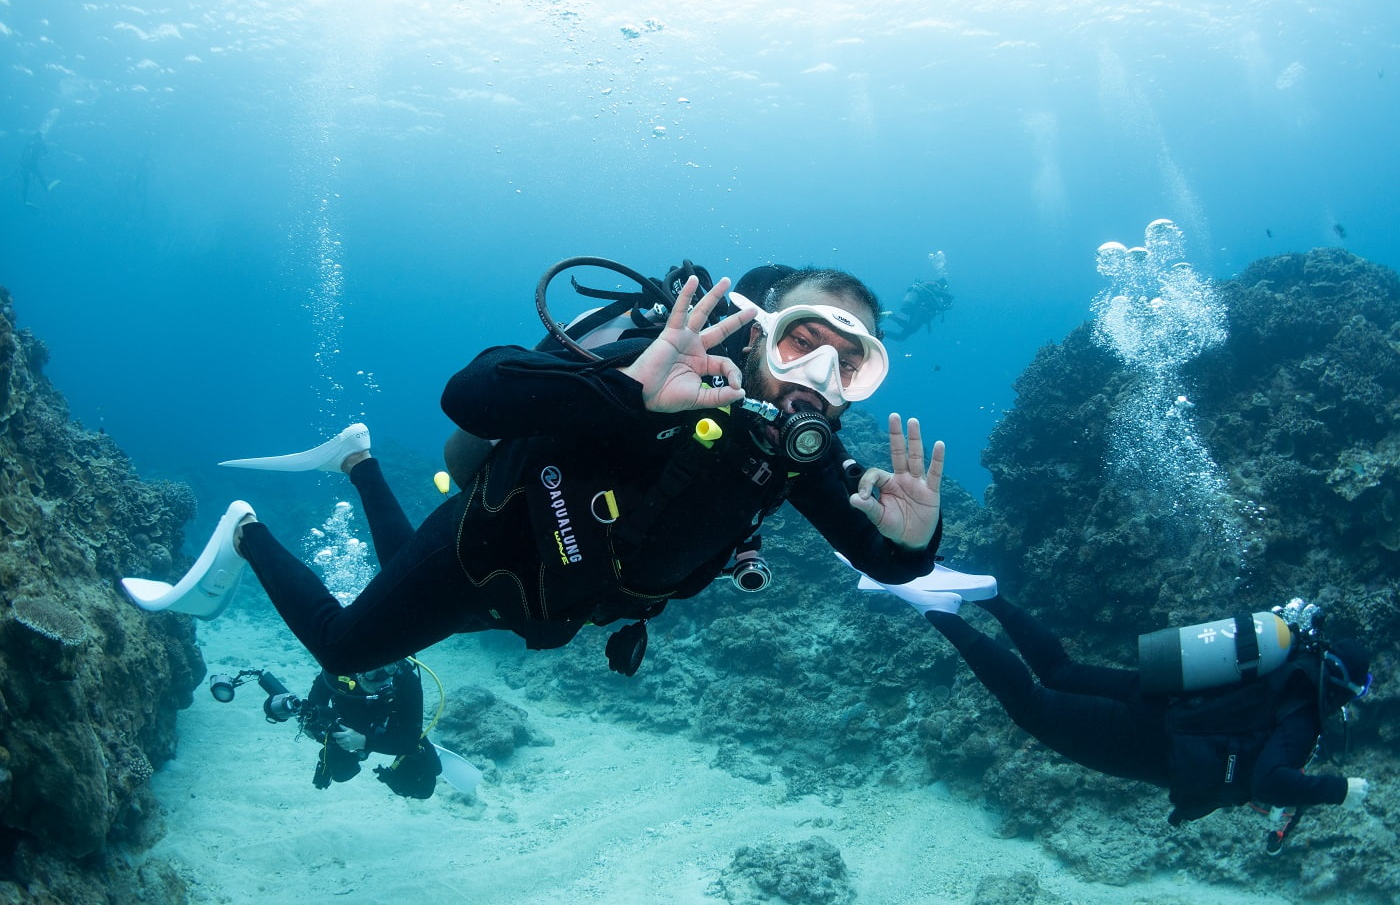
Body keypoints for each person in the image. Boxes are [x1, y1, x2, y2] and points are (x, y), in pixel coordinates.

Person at [129, 263, 944, 679]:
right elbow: (472, 394)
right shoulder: (670, 370)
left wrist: (913, 543)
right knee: (345, 649)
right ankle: (248, 533)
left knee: (390, 575)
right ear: (762, 330)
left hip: (553, 609)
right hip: (480, 554)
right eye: (804, 341)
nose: (819, 382)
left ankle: (357, 459)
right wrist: (619, 391)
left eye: (852, 365)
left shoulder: (798, 457)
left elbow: (886, 562)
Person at [866, 575, 1372, 840]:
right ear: (1345, 689)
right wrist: (1340, 790)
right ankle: (935, 608)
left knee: (1059, 670)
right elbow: (1267, 781)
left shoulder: (1284, 669)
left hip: (1158, 696)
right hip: (1150, 741)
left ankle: (991, 596)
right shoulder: (1304, 719)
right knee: (1029, 704)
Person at [280, 661, 441, 799]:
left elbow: (410, 739)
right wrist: (313, 722)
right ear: (357, 670)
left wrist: (365, 742)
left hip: (388, 727)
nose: (382, 677)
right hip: (346, 721)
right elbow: (317, 698)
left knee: (421, 783)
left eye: (389, 667)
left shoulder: (405, 679)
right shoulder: (340, 668)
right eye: (371, 672)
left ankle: (427, 759)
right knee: (340, 770)